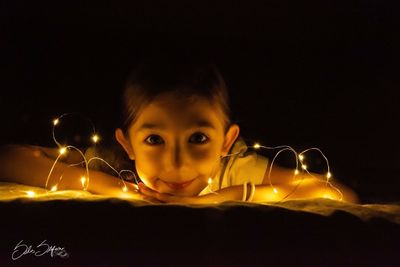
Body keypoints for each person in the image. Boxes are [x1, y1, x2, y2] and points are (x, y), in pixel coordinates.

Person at [0, 62, 360, 204]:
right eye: (154, 140)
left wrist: (219, 198)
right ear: (127, 143)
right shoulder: (111, 166)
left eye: (198, 138)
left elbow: (337, 193)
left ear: (226, 141)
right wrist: (121, 190)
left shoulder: (235, 167)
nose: (177, 162)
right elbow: (9, 159)